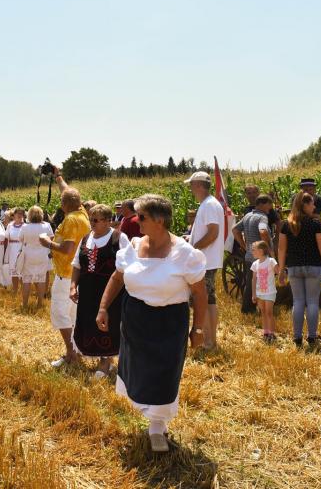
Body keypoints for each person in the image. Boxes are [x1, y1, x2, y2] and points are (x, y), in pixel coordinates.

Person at [96, 194, 207, 452]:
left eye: (141, 216)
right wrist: (103, 307)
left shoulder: (185, 254)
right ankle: (153, 420)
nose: (137, 220)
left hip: (170, 322)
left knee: (166, 375)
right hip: (135, 320)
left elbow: (200, 294)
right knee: (139, 372)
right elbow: (116, 278)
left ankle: (157, 425)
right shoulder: (133, 247)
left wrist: (198, 329)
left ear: (159, 219)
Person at [39, 168, 91, 368]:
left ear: (63, 205)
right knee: (73, 316)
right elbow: (68, 191)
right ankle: (76, 351)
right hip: (78, 275)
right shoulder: (83, 213)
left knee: (61, 315)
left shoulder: (70, 220)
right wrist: (58, 176)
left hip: (65, 275)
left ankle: (71, 354)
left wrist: (47, 243)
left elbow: (68, 249)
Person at [70, 204, 129, 379]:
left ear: (108, 221)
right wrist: (73, 286)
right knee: (89, 322)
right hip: (87, 291)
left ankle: (105, 363)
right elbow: (77, 265)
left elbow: (128, 265)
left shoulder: (119, 238)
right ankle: (98, 359)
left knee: (107, 324)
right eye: (91, 219)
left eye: (96, 220)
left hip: (111, 291)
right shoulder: (86, 238)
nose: (92, 223)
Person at [277, 192, 321, 349]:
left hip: (294, 267)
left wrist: (281, 270)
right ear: (305, 205)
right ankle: (312, 336)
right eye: (312, 204)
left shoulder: (287, 225)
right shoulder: (315, 224)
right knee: (313, 302)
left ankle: (297, 337)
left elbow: (281, 249)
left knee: (298, 301)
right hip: (314, 266)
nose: (314, 206)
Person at [185, 171, 224, 349]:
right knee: (209, 301)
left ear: (199, 185)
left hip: (205, 261)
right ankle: (210, 341)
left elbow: (213, 233)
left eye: (191, 185)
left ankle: (209, 342)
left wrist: (194, 247)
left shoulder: (208, 205)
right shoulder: (210, 204)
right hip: (208, 260)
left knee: (204, 301)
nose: (190, 189)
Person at [233, 194, 274, 314]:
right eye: (269, 205)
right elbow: (263, 231)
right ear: (262, 204)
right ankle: (249, 309)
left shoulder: (247, 216)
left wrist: (244, 245)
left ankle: (249, 308)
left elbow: (235, 230)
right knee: (257, 283)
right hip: (260, 257)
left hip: (249, 255)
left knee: (250, 282)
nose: (270, 208)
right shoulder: (262, 217)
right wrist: (268, 249)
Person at [19, 206, 53, 309]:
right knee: (41, 279)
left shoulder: (25, 227)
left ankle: (24, 304)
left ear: (29, 215)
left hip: (28, 254)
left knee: (26, 280)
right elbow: (51, 239)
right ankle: (40, 303)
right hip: (42, 254)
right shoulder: (46, 226)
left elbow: (21, 239)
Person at [250, 241, 278, 343]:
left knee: (269, 312)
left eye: (254, 250)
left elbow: (278, 271)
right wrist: (253, 294)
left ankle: (271, 333)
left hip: (270, 292)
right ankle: (266, 332)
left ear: (261, 251)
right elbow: (253, 279)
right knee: (263, 312)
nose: (252, 252)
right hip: (260, 293)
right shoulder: (255, 264)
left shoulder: (271, 261)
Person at [4, 207, 26, 296]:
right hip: (12, 249)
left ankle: (23, 292)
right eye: (18, 213)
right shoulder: (10, 225)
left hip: (22, 249)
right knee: (14, 272)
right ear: (14, 215)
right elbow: (6, 238)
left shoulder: (26, 226)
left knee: (22, 272)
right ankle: (15, 291)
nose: (19, 215)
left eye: (21, 213)